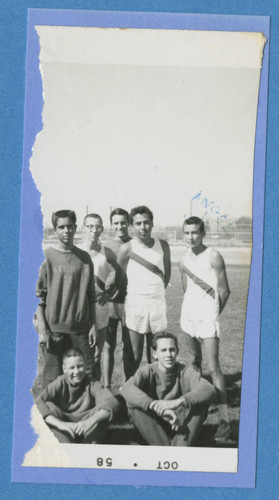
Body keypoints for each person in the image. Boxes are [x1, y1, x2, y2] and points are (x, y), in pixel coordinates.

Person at [179, 216, 231, 443]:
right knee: (193, 363)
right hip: (188, 317)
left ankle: (225, 420)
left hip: (207, 318)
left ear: (203, 233)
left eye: (195, 232)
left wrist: (212, 314)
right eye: (187, 233)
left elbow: (225, 291)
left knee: (214, 368)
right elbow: (185, 288)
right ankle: (196, 413)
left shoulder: (213, 256)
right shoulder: (183, 259)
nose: (191, 237)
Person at [35, 210, 97, 389]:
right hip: (54, 330)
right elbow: (38, 298)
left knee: (87, 373)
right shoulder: (46, 257)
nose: (66, 230)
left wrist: (93, 325)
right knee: (52, 377)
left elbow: (91, 296)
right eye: (61, 227)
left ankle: (85, 411)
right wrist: (43, 329)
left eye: (70, 226)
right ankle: (51, 413)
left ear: (75, 228)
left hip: (80, 328)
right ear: (55, 230)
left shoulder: (84, 258)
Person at [121, 332, 215, 446]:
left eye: (172, 349)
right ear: (155, 354)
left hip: (179, 422)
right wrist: (154, 406)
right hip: (154, 422)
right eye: (163, 350)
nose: (168, 355)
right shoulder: (147, 371)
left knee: (201, 403)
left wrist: (177, 402)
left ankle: (180, 446)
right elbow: (126, 388)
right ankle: (164, 448)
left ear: (177, 351)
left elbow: (209, 389)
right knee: (134, 406)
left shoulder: (185, 371)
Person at [116, 205, 171, 379]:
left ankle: (155, 387)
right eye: (138, 223)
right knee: (134, 353)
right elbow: (119, 279)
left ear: (152, 224)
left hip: (157, 304)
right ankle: (130, 389)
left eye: (146, 222)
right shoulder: (126, 248)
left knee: (157, 351)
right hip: (135, 304)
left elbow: (166, 276)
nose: (143, 227)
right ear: (132, 226)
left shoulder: (163, 245)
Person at [35, 347, 119, 443]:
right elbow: (38, 403)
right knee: (48, 405)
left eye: (80, 366)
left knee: (104, 410)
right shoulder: (60, 382)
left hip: (87, 427)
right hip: (65, 426)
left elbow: (113, 402)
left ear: (85, 365)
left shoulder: (91, 382)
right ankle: (66, 443)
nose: (77, 372)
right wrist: (61, 424)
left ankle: (89, 443)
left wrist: (90, 421)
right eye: (72, 368)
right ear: (64, 369)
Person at [79, 213, 113, 381]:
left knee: (97, 356)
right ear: (83, 228)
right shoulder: (76, 250)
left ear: (102, 229)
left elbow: (122, 277)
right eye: (90, 226)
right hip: (79, 308)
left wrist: (110, 294)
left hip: (99, 309)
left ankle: (96, 395)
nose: (94, 230)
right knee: (79, 357)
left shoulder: (107, 252)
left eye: (98, 226)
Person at [102, 208, 132, 387]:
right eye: (116, 223)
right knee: (108, 345)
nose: (120, 226)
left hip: (130, 301)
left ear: (128, 223)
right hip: (110, 302)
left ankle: (127, 386)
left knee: (127, 347)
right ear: (111, 224)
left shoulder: (135, 244)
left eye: (123, 222)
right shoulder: (105, 247)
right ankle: (106, 386)